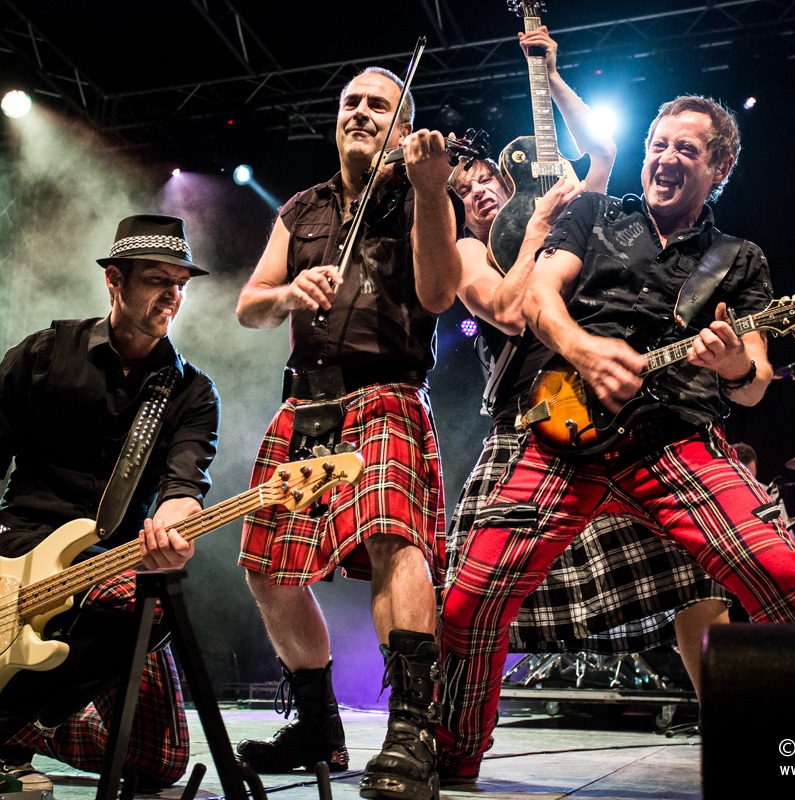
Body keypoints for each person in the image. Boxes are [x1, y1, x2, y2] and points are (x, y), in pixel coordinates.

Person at [436, 94, 795, 784]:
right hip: (561, 436)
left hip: (672, 438)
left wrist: (731, 366)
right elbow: (538, 299)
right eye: (659, 144)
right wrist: (586, 349)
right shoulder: (595, 213)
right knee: (467, 601)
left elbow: (753, 379)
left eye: (686, 150)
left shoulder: (738, 258)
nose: (665, 158)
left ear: (720, 166)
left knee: (785, 573)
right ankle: (451, 759)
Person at [443, 27, 730, 722]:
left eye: (487, 180)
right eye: (465, 190)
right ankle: (449, 734)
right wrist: (538, 225)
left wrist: (550, 72)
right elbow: (511, 313)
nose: (480, 193)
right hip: (532, 419)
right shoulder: (467, 254)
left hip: (616, 411)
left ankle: (731, 727)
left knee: (694, 581)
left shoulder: (576, 213)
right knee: (473, 592)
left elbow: (601, 152)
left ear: (510, 179)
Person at [232, 66, 460, 800]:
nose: (361, 113)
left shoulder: (423, 196)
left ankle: (412, 732)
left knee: (397, 540)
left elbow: (436, 293)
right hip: (306, 406)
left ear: (403, 127)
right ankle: (317, 726)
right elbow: (249, 307)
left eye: (379, 106)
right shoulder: (301, 210)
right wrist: (288, 293)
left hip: (386, 393)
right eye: (350, 102)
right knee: (266, 566)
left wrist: (428, 189)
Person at [0, 214, 221, 792]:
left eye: (181, 282)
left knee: (158, 763)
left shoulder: (190, 391)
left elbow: (183, 489)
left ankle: (16, 725)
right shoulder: (41, 354)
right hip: (22, 546)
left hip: (116, 559)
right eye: (157, 279)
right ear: (114, 279)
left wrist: (173, 529)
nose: (173, 294)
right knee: (143, 602)